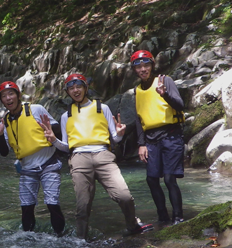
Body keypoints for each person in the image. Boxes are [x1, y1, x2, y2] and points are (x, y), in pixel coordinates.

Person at [41, 73, 152, 239]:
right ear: (68, 92)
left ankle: (132, 225)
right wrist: (53, 140)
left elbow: (114, 138)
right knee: (82, 205)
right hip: (78, 157)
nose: (75, 90)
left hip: (103, 155)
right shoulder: (66, 116)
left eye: (78, 86)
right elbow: (66, 146)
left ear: (86, 88)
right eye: (71, 88)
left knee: (124, 196)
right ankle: (81, 240)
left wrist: (120, 133)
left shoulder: (102, 108)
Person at [0, 81, 66, 236]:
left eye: (11, 94)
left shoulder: (35, 109)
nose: (8, 98)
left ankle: (60, 237)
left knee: (52, 204)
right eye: (4, 96)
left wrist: (52, 136)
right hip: (27, 168)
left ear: (18, 96)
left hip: (48, 163)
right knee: (26, 207)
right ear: (2, 101)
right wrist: (0, 133)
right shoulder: (6, 121)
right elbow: (3, 152)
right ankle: (28, 239)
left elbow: (56, 128)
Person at [131, 50, 186, 225]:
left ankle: (178, 217)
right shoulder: (138, 90)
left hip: (171, 135)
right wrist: (141, 144)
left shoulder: (165, 81)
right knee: (151, 179)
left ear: (152, 65)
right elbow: (139, 119)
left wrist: (165, 94)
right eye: (138, 66)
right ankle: (162, 218)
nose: (143, 69)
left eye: (146, 65)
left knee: (170, 178)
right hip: (151, 139)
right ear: (134, 70)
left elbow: (180, 105)